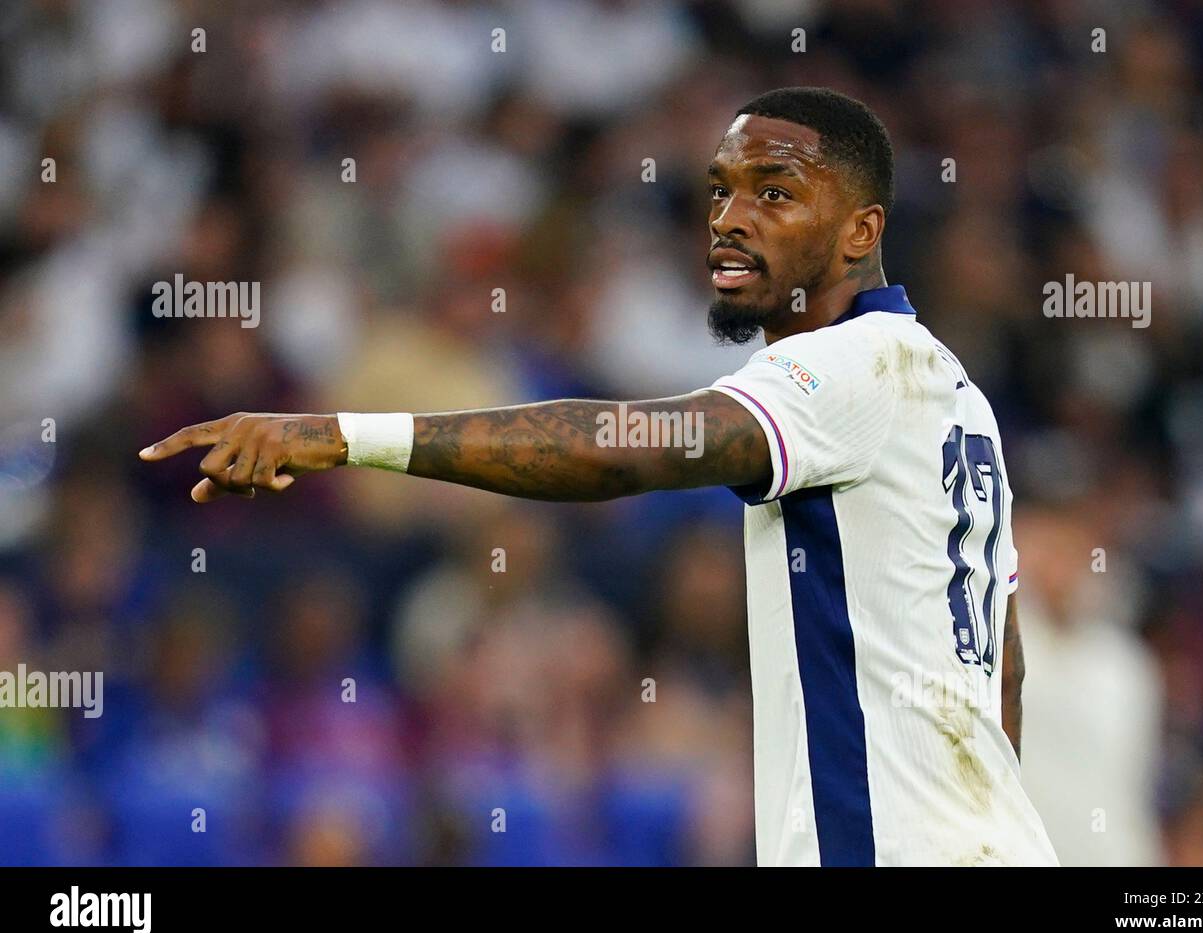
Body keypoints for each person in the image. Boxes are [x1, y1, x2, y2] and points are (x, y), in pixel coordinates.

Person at [141, 87, 1058, 867]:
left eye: (775, 194)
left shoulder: (852, 367)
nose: (731, 219)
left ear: (862, 230)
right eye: (721, 191)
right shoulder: (954, 394)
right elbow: (1002, 668)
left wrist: (342, 435)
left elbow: (626, 446)